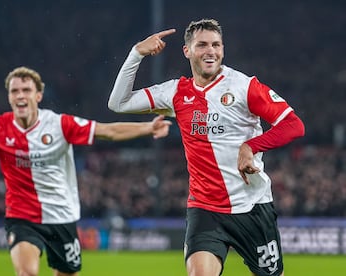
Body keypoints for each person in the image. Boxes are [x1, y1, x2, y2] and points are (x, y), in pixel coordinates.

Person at [108, 18, 305, 276]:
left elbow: (294, 125)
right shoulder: (176, 93)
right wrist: (136, 54)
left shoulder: (244, 87)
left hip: (252, 206)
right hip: (205, 209)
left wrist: (250, 146)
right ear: (187, 51)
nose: (210, 51)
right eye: (202, 45)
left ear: (223, 49)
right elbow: (118, 103)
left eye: (216, 45)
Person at [0, 66, 171, 276]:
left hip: (62, 216)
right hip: (22, 216)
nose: (20, 96)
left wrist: (147, 128)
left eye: (26, 90)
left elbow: (108, 132)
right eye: (15, 91)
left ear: (38, 95)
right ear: (9, 97)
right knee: (27, 272)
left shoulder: (59, 124)